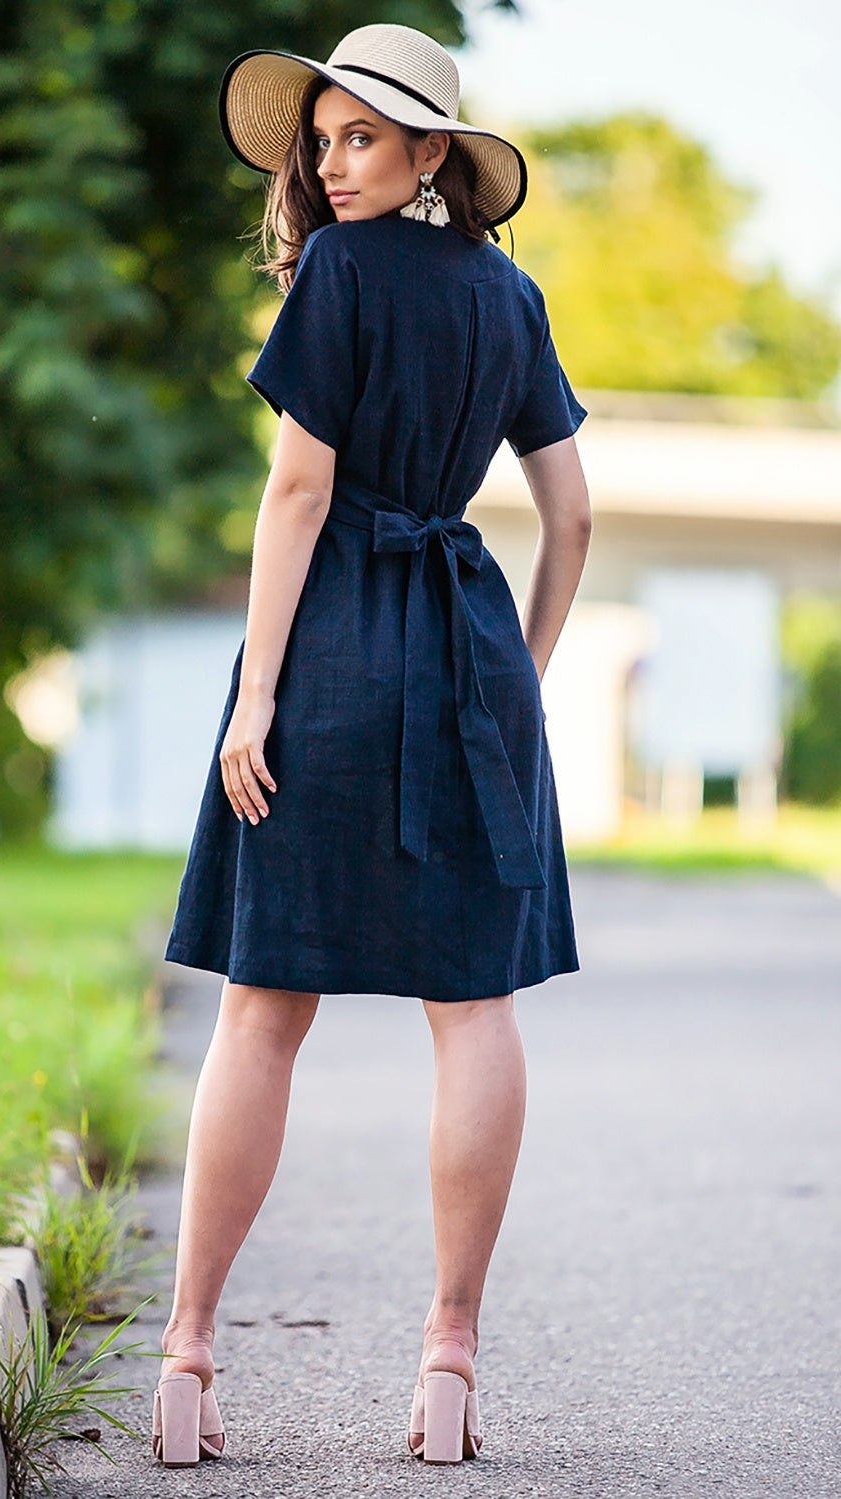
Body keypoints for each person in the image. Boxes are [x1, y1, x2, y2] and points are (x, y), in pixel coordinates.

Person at [152, 22, 592, 1469]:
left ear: (427, 158)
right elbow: (573, 515)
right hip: (465, 644)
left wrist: (257, 698)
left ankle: (189, 1363)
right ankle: (453, 1359)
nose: (332, 163)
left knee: (264, 1011)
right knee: (473, 1009)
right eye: (322, 137)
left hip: (333, 641)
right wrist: (517, 675)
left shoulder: (339, 274)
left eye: (361, 138)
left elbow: (296, 496)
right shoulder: (511, 296)